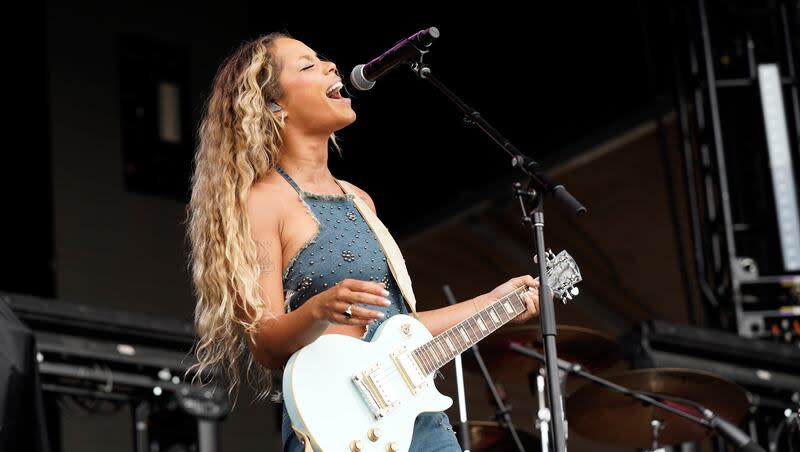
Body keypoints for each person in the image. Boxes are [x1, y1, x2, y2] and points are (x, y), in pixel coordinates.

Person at [187, 32, 542, 452]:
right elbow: (265, 343)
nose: (330, 65)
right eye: (307, 66)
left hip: (416, 420)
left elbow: (400, 329)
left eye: (323, 58)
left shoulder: (360, 199)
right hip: (335, 426)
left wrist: (494, 301)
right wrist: (318, 309)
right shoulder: (262, 202)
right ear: (273, 107)